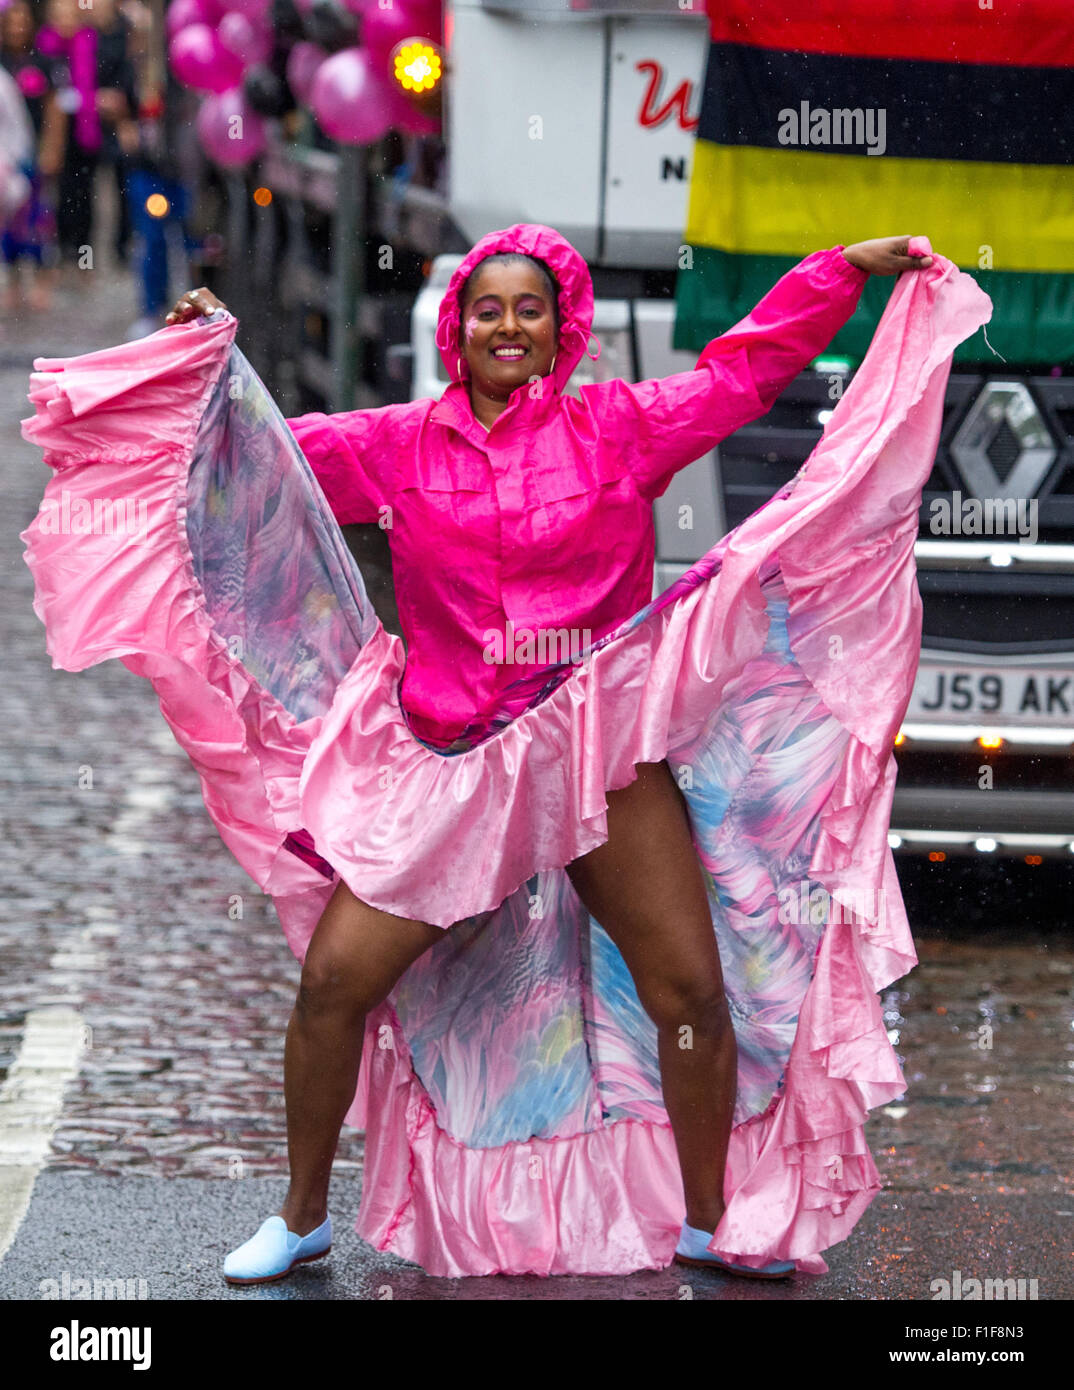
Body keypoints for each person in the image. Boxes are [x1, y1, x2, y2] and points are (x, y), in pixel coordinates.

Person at [150, 224, 933, 1284]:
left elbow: (742, 373)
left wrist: (839, 272)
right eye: (487, 310)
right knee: (333, 984)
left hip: (593, 759)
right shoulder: (395, 445)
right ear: (457, 330)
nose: (507, 326)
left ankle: (709, 1221)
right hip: (453, 766)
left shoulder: (621, 430)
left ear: (562, 331)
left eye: (529, 309)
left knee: (691, 994)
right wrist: (204, 360)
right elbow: (262, 461)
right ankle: (300, 1217)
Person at [0, 0, 60, 310]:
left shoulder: (42, 60)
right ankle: (11, 279)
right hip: (5, 155)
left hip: (32, 150)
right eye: (10, 22)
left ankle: (40, 278)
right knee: (8, 219)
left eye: (21, 21)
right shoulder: (2, 62)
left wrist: (51, 148)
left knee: (36, 218)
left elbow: (54, 107)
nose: (17, 28)